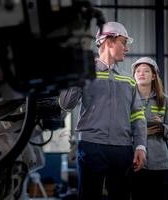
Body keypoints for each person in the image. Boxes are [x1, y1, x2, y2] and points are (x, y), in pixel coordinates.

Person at [59, 22, 147, 200]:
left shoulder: (128, 80)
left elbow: (138, 115)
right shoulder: (86, 72)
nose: (127, 48)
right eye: (123, 42)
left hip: (123, 149)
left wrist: (140, 145)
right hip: (92, 146)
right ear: (108, 41)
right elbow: (66, 103)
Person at [131, 57, 168, 200]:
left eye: (146, 71)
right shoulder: (127, 99)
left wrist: (162, 128)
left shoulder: (165, 101)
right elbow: (120, 127)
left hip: (159, 163)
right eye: (138, 71)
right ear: (134, 75)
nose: (141, 73)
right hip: (134, 161)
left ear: (153, 76)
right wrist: (141, 132)